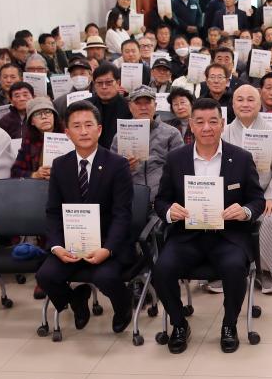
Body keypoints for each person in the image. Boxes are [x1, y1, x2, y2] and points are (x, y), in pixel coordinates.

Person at [152, 97, 266, 354]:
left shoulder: (240, 158)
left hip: (228, 235)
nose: (207, 128)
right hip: (187, 235)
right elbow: (160, 200)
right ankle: (179, 323)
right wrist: (170, 211)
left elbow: (257, 199)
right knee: (162, 270)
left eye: (213, 121)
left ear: (222, 124)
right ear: (191, 125)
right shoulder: (175, 159)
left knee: (235, 268)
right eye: (200, 122)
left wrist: (245, 210)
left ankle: (229, 324)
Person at [36, 100, 136, 337]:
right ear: (67, 132)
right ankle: (75, 300)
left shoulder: (117, 165)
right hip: (71, 242)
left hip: (108, 243)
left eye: (89, 125)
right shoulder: (60, 165)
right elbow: (53, 211)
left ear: (99, 129)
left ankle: (123, 306)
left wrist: (108, 249)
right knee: (45, 276)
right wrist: (57, 246)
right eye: (77, 126)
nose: (83, 131)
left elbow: (123, 214)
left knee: (105, 276)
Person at [221, 85, 272, 293]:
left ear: (260, 104)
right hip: (230, 197)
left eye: (251, 100)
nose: (245, 104)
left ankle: (266, 271)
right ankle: (219, 270)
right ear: (232, 104)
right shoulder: (223, 134)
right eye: (240, 100)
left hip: (265, 197)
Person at [110, 86, 183, 199]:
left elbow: (179, 170)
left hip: (162, 201)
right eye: (138, 103)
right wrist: (124, 168)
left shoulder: (172, 134)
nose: (143, 107)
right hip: (130, 201)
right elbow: (111, 174)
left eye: (148, 102)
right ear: (130, 107)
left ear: (155, 105)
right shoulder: (120, 136)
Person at [12, 97, 62, 180]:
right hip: (39, 187)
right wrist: (34, 175)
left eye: (48, 112)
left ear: (54, 116)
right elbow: (15, 172)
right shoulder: (28, 141)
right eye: (38, 114)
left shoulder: (69, 136)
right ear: (32, 122)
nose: (44, 117)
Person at [89, 63, 132, 149]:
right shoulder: (86, 107)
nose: (104, 87)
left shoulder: (129, 107)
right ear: (94, 84)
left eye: (109, 82)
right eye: (99, 83)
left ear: (118, 83)